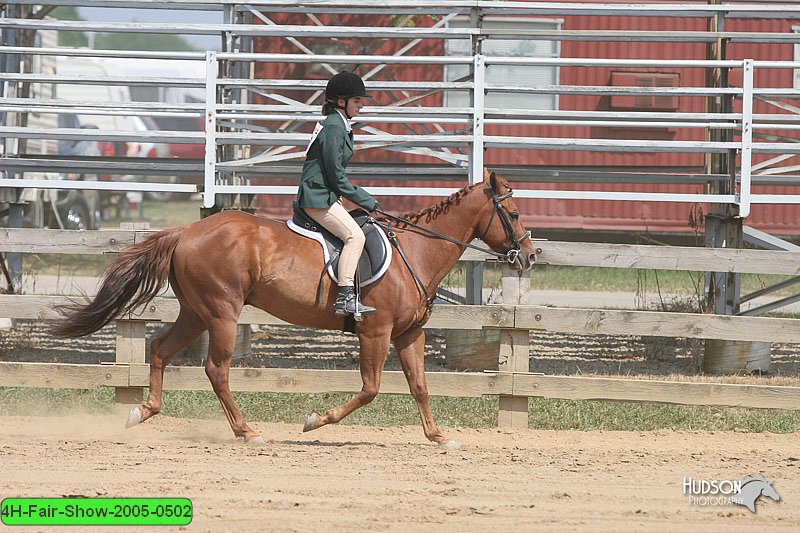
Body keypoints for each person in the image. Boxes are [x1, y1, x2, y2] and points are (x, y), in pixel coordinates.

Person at [296, 71, 380, 317]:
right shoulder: (334, 127)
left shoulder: (338, 124)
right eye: (357, 101)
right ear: (340, 101)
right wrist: (368, 201)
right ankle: (345, 297)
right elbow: (336, 175)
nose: (362, 105)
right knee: (355, 237)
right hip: (318, 196)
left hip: (324, 194)